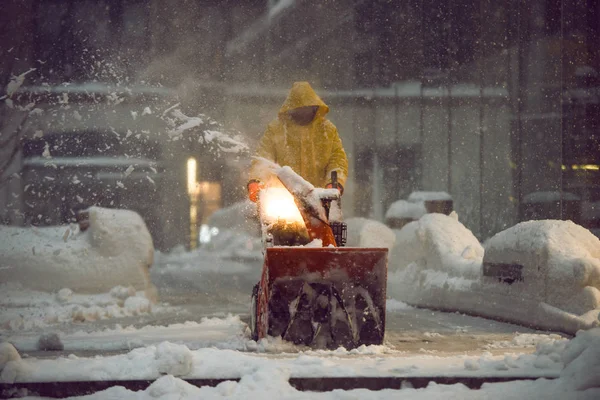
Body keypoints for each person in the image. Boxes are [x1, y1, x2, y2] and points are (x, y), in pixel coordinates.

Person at [247, 81, 348, 202]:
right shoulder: (277, 129)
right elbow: (263, 157)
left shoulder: (327, 130)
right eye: (299, 108)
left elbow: (337, 160)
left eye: (306, 108)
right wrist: (256, 181)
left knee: (332, 221)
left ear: (314, 107)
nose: (303, 112)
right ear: (291, 108)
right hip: (281, 200)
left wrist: (334, 184)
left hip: (320, 200)